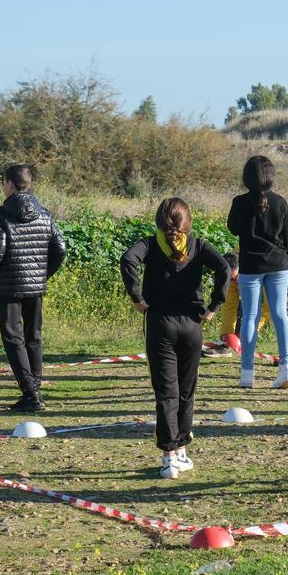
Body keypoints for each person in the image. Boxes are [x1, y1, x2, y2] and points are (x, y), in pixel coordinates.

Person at [120, 198, 230, 479]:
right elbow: (225, 268)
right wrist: (215, 306)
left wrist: (136, 297)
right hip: (192, 324)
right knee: (186, 389)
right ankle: (181, 449)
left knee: (165, 391)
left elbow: (128, 259)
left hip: (160, 323)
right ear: (187, 223)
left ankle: (169, 457)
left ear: (158, 222)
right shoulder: (199, 245)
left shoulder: (149, 243)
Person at [0, 164, 68, 412]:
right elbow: (60, 248)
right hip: (35, 286)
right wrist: (42, 273)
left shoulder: (0, 215)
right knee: (34, 336)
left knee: (13, 337)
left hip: (9, 286)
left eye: (3, 183)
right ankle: (36, 389)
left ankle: (29, 393)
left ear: (10, 184)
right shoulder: (45, 213)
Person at [226, 155, 288, 390]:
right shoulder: (281, 202)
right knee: (280, 315)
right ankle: (286, 367)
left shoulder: (239, 202)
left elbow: (232, 228)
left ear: (247, 178)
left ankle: (247, 373)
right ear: (271, 177)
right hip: (279, 265)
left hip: (251, 267)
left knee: (249, 317)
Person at [202, 250, 267, 359]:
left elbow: (267, 308)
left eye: (234, 278)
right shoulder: (228, 277)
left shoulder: (257, 273)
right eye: (229, 279)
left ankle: (283, 356)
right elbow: (229, 307)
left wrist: (251, 329)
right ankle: (225, 347)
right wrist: (227, 334)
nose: (233, 281)